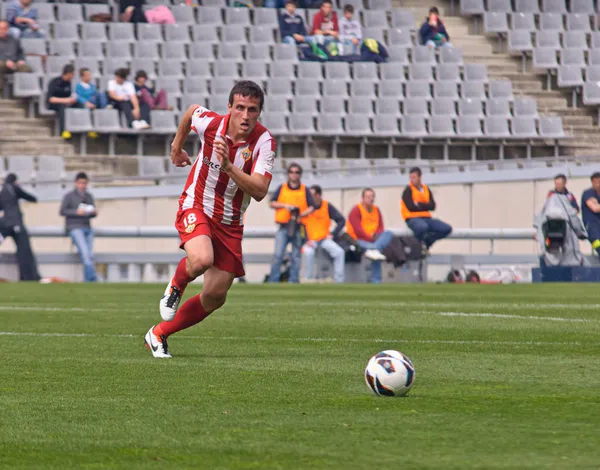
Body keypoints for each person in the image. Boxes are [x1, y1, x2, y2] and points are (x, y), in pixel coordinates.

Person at [143, 81, 276, 359]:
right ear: (229, 108)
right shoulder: (212, 124)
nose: (245, 115)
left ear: (259, 112)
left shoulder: (264, 142)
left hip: (230, 223)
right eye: (239, 108)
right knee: (201, 260)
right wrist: (176, 147)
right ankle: (176, 286)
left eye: (252, 109)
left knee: (216, 296)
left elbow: (260, 191)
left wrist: (228, 166)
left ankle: (158, 333)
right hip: (197, 205)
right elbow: (192, 112)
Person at [268, 163, 315, 283]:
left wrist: (301, 214)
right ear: (288, 174)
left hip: (298, 226)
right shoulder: (282, 187)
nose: (294, 175)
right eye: (292, 172)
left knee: (296, 256)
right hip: (284, 226)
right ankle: (274, 281)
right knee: (278, 255)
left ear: (300, 174)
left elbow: (312, 206)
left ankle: (293, 281)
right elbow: (272, 203)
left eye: (297, 172)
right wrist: (285, 206)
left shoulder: (305, 189)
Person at [346, 188, 394, 284]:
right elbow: (358, 230)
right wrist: (370, 238)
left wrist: (376, 236)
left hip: (374, 240)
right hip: (359, 240)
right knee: (375, 250)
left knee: (388, 234)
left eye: (372, 196)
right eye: (368, 197)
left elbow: (380, 227)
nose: (371, 199)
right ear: (363, 198)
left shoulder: (376, 210)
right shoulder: (356, 210)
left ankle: (375, 250)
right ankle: (376, 280)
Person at [401, 167, 452, 253]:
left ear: (420, 177)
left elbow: (432, 206)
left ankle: (427, 242)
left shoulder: (426, 189)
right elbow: (411, 207)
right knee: (422, 227)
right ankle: (417, 247)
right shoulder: (408, 190)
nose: (412, 180)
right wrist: (425, 205)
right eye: (410, 178)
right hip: (412, 218)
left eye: (414, 177)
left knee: (446, 228)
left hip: (426, 218)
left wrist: (418, 204)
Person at [0, 173, 41, 281]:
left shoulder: (3, 190)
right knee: (24, 250)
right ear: (15, 181)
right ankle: (28, 277)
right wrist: (34, 199)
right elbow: (26, 195)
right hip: (16, 224)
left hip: (3, 224)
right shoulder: (13, 187)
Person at [302, 185, 346, 283]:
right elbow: (300, 225)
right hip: (310, 240)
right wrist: (305, 239)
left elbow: (341, 220)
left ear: (318, 195)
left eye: (312, 195)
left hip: (324, 238)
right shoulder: (306, 207)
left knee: (339, 252)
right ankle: (307, 279)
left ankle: (339, 280)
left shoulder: (326, 206)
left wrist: (333, 234)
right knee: (309, 253)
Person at [59, 172, 98, 283]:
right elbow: (62, 211)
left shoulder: (88, 196)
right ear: (76, 183)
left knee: (89, 256)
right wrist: (77, 212)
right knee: (85, 254)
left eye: (85, 183)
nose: (83, 185)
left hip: (87, 227)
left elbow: (93, 213)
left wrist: (92, 212)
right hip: (75, 227)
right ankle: (93, 280)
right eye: (81, 183)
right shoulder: (69, 196)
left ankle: (87, 281)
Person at [0, 20, 31, 95]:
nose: (2, 30)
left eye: (4, 28)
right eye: (0, 28)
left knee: (26, 69)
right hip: (2, 63)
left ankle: (21, 93)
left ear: (7, 29)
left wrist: (21, 59)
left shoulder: (13, 39)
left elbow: (20, 51)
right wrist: (6, 61)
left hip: (14, 63)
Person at [46, 64, 77, 140]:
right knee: (62, 106)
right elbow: (51, 99)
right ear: (68, 73)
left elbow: (68, 96)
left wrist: (71, 100)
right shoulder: (55, 82)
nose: (73, 76)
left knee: (79, 104)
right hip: (53, 105)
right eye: (73, 74)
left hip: (65, 103)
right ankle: (63, 131)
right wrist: (66, 100)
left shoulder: (69, 83)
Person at [581, 172, 600, 256]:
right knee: (597, 242)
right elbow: (595, 208)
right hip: (592, 226)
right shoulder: (588, 193)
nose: (598, 184)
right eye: (595, 182)